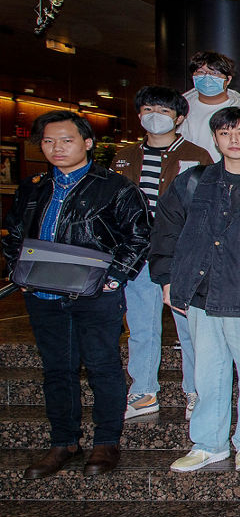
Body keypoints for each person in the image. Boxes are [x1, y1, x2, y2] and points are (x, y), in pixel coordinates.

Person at [4, 111, 150, 479]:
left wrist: (116, 278)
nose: (57, 147)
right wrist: (17, 270)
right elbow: (14, 233)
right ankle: (63, 442)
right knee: (57, 369)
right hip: (43, 293)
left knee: (103, 366)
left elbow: (139, 234)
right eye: (49, 141)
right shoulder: (33, 186)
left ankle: (106, 441)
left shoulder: (114, 186)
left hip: (94, 293)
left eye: (66, 140)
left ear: (87, 143)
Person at [152, 107, 240, 474]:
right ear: (214, 139)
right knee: (208, 374)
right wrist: (168, 278)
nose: (234, 139)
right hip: (202, 294)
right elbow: (166, 231)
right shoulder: (192, 182)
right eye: (226, 133)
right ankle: (208, 443)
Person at [111, 86, 212, 421]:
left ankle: (195, 390)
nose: (155, 116)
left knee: (190, 328)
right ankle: (143, 389)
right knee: (141, 324)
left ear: (179, 118)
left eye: (164, 111)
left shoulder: (198, 156)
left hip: (183, 253)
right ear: (139, 114)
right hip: (138, 252)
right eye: (148, 109)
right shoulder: (125, 156)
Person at [179, 51, 240, 162]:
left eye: (214, 73)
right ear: (193, 77)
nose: (207, 77)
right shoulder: (178, 110)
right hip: (186, 175)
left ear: (228, 80)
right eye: (201, 72)